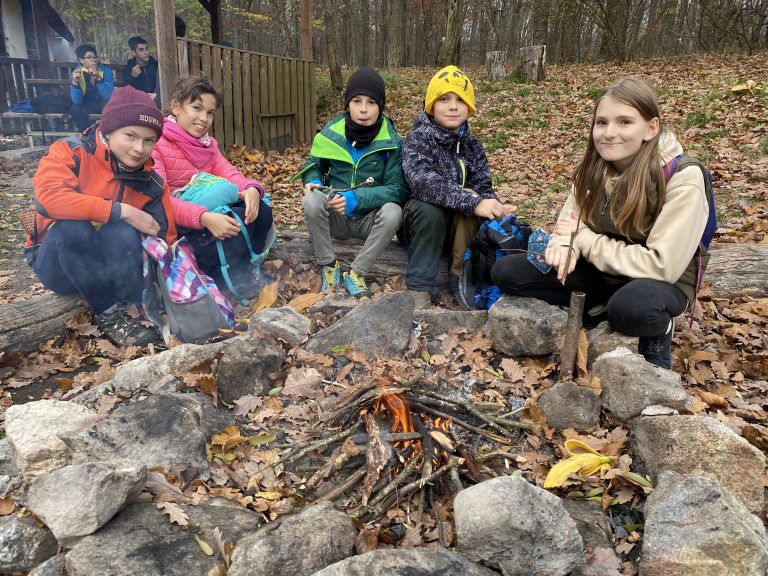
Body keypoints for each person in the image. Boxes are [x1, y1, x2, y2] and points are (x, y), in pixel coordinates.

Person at [491, 77, 710, 369]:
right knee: (508, 272)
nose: (609, 133)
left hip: (658, 281)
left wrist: (582, 240)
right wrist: (563, 246)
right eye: (601, 122)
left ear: (651, 128)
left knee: (633, 308)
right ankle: (596, 312)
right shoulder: (592, 171)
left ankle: (655, 332)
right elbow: (568, 227)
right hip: (603, 271)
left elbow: (661, 265)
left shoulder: (682, 177)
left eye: (624, 122)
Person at [27, 86, 175, 346]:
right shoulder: (71, 151)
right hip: (58, 263)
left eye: (149, 140)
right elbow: (48, 199)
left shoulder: (152, 183)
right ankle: (109, 315)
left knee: (124, 231)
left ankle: (129, 306)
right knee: (72, 227)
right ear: (108, 130)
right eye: (130, 135)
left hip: (112, 270)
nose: (139, 148)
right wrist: (121, 211)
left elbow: (166, 238)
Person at [402, 65, 515, 308]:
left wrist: (495, 206)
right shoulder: (419, 138)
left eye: (460, 100)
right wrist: (474, 203)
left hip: (458, 229)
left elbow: (483, 185)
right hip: (420, 227)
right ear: (431, 105)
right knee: (434, 209)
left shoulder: (472, 145)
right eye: (444, 99)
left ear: (469, 107)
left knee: (478, 203)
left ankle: (461, 281)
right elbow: (422, 181)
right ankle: (419, 286)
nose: (453, 106)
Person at [151, 75, 274, 298]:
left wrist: (252, 188)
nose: (203, 118)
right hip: (181, 225)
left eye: (209, 113)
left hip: (208, 211)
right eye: (197, 108)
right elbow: (161, 200)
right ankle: (220, 279)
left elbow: (228, 171)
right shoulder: (157, 143)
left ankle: (244, 270)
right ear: (176, 107)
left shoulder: (207, 145)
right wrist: (203, 218)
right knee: (232, 220)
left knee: (260, 210)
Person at [295, 67, 407, 299]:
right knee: (312, 199)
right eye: (357, 101)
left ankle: (356, 273)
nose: (363, 109)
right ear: (348, 104)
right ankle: (328, 264)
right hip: (335, 218)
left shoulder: (393, 142)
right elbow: (313, 164)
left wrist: (357, 199)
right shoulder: (331, 134)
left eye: (371, 102)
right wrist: (313, 180)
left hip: (369, 221)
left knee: (394, 211)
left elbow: (397, 190)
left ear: (381, 106)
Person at [69, 44, 115, 132]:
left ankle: (106, 134)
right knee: (75, 109)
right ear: (81, 60)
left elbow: (107, 96)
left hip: (102, 102)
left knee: (110, 107)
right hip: (86, 103)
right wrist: (75, 82)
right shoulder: (78, 73)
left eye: (95, 57)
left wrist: (98, 78)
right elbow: (77, 101)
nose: (94, 60)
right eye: (89, 57)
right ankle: (87, 134)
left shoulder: (106, 71)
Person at [122, 36, 160, 106]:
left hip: (156, 102)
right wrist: (132, 77)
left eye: (146, 49)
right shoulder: (128, 69)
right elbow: (126, 93)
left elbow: (162, 85)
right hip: (137, 104)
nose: (146, 53)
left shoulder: (155, 65)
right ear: (133, 53)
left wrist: (157, 95)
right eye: (141, 50)